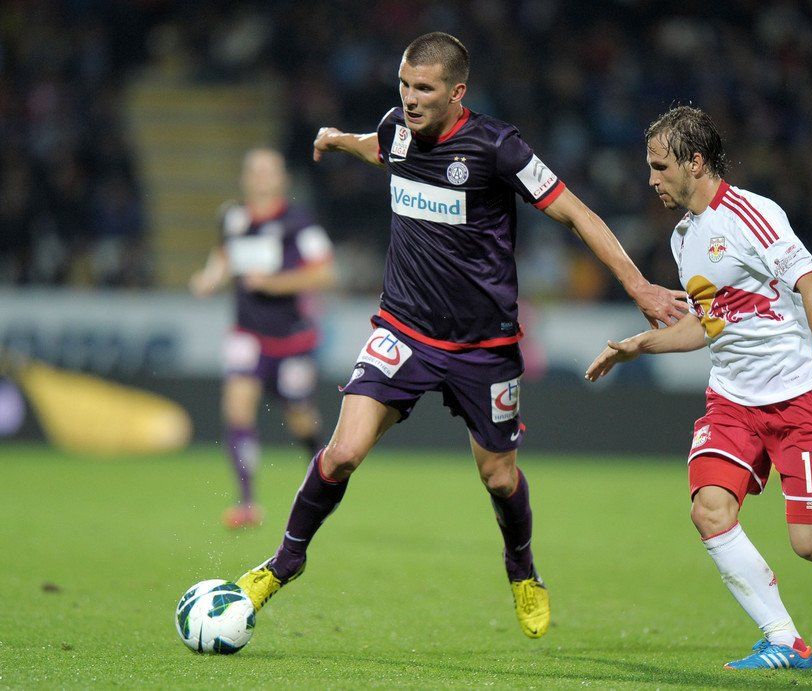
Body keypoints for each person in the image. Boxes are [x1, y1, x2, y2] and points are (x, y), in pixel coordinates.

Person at [235, 32, 687, 639]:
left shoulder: (498, 147)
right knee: (340, 454)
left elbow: (575, 212)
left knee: (499, 476)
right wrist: (341, 140)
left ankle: (521, 568)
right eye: (403, 84)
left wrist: (639, 286)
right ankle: (283, 562)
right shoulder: (397, 128)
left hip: (484, 347)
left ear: (457, 92)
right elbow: (381, 147)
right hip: (404, 329)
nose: (409, 98)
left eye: (423, 88)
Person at [585, 105, 812, 669]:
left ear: (695, 162)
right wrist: (637, 346)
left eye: (660, 166)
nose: (651, 179)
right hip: (732, 402)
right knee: (709, 510)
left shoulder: (752, 215)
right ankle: (785, 640)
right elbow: (707, 325)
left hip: (797, 396)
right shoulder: (683, 238)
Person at [190, 148, 337, 529]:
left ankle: (322, 477)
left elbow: (325, 273)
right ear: (244, 178)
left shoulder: (298, 223)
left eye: (268, 171)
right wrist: (210, 278)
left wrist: (274, 283)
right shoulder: (232, 217)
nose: (260, 177)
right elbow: (224, 255)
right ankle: (247, 502)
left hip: (291, 339)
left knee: (301, 417)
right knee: (237, 408)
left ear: (282, 179)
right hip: (247, 332)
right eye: (254, 170)